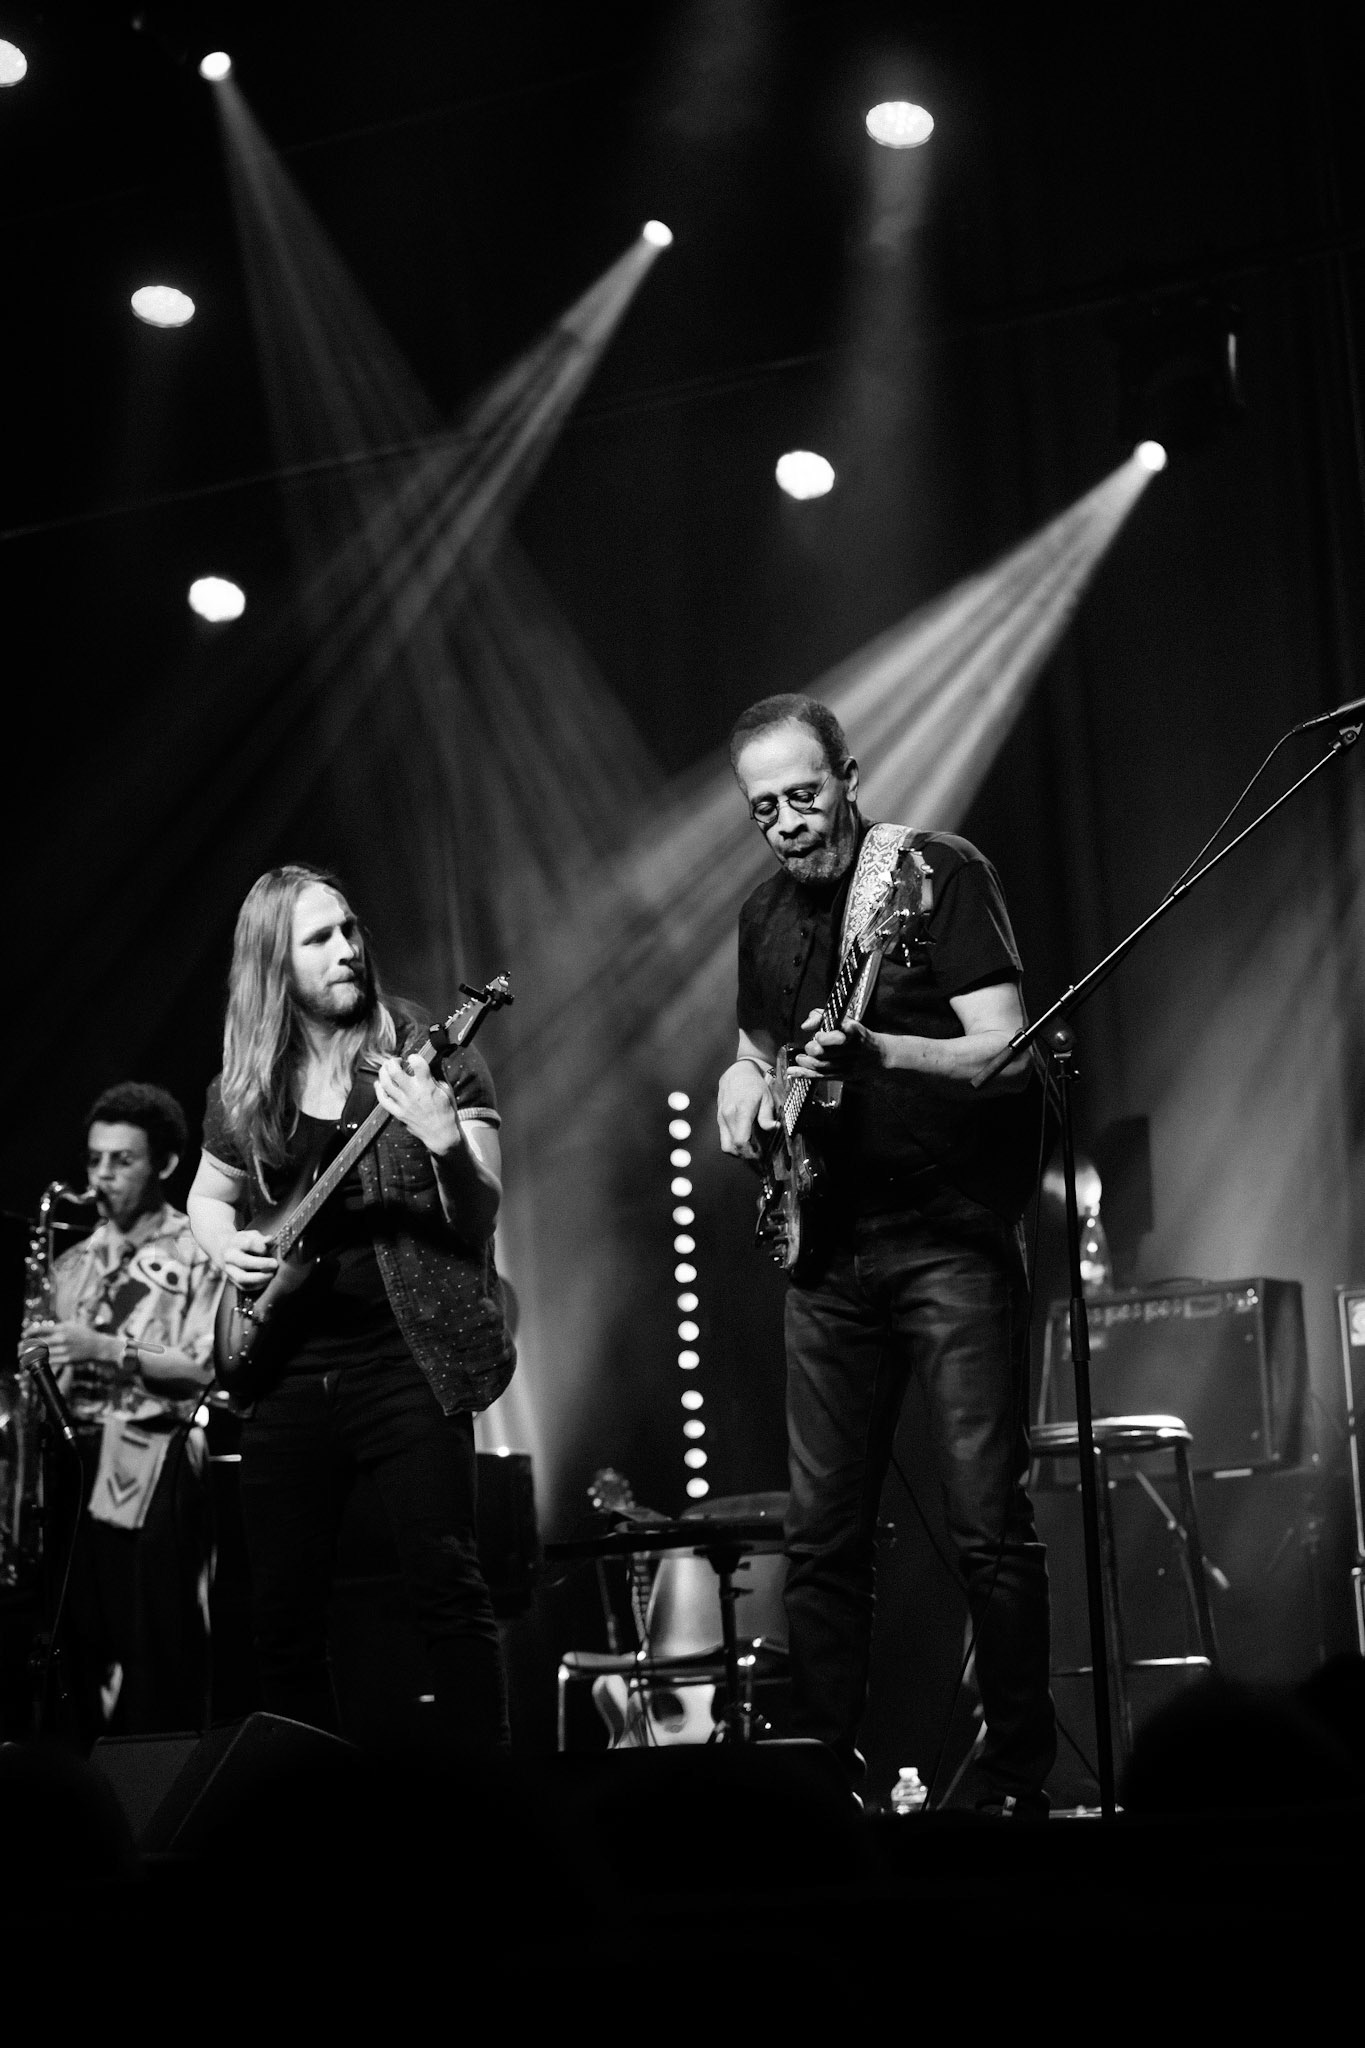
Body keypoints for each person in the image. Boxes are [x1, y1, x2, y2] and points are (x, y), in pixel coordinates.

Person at [716, 694, 1056, 1814]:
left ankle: (1011, 1775)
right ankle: (822, 1783)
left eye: (803, 795)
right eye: (763, 806)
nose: (786, 822)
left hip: (948, 1234)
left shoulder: (932, 872)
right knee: (820, 1535)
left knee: (987, 1523)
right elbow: (752, 1051)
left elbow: (1007, 1048)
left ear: (850, 776)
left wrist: (878, 1051)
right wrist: (740, 1096)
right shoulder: (762, 915)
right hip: (826, 1248)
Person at [187, 864, 515, 1752]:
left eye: (349, 929)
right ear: (273, 965)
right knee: (281, 1619)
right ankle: (309, 1824)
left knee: (447, 1590)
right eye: (320, 939)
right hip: (285, 1369)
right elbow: (206, 1200)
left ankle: (486, 1810)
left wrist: (446, 1142)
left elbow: (480, 1214)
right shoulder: (248, 1082)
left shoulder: (433, 1052)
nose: (347, 950)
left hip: (406, 1360)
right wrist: (226, 1246)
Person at [24, 1082, 220, 1741]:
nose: (102, 1177)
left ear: (165, 1164)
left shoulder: (200, 1249)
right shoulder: (72, 1263)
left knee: (159, 1659)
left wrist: (108, 1347)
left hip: (157, 1468)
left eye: (122, 1161)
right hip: (74, 1475)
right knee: (72, 1657)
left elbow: (200, 1363)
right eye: (94, 1161)